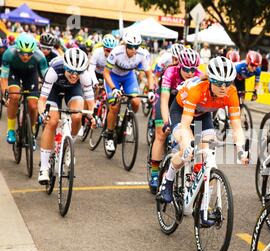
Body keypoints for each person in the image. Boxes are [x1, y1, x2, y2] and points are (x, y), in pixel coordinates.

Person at [157, 57, 248, 220]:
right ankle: (168, 181)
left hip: (204, 114)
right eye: (219, 83)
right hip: (180, 111)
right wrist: (189, 142)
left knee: (208, 156)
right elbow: (185, 125)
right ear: (210, 80)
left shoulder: (231, 93)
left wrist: (241, 149)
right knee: (187, 150)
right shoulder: (197, 89)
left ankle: (201, 205)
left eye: (227, 83)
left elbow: (237, 126)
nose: (223, 87)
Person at [148, 48, 203, 193]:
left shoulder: (198, 76)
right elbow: (165, 100)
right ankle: (154, 173)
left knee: (193, 136)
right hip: (168, 100)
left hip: (184, 104)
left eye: (193, 69)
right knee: (161, 133)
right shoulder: (170, 72)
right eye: (186, 69)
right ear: (180, 65)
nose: (190, 73)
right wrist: (166, 122)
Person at [37, 48, 95, 184]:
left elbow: (90, 102)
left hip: (73, 90)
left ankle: (68, 147)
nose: (75, 76)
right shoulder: (53, 70)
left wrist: (91, 116)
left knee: (76, 116)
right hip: (54, 90)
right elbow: (42, 100)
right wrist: (42, 113)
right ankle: (44, 168)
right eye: (71, 72)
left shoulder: (85, 76)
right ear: (65, 67)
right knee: (52, 121)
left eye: (78, 73)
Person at [103, 31, 155, 152]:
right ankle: (110, 135)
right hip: (113, 77)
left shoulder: (142, 53)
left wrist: (151, 90)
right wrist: (114, 89)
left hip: (128, 77)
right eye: (131, 47)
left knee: (136, 102)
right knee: (114, 106)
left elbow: (149, 74)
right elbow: (105, 73)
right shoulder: (116, 52)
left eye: (136, 47)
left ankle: (129, 120)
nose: (134, 50)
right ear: (125, 45)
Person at [1, 33, 48, 146]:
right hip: (14, 74)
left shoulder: (40, 56)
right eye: (22, 53)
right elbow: (3, 78)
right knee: (14, 96)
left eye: (29, 54)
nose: (25, 56)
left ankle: (31, 134)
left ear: (34, 51)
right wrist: (5, 94)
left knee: (33, 105)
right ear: (17, 50)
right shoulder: (8, 54)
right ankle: (11, 130)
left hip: (31, 75)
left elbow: (47, 78)